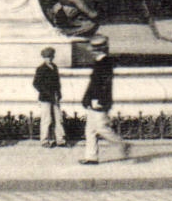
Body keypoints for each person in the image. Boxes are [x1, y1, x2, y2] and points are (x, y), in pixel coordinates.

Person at [79, 36, 130, 164]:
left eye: (94, 49)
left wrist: (98, 99)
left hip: (99, 100)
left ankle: (122, 144)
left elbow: (103, 84)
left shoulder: (104, 63)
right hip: (94, 99)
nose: (91, 51)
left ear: (98, 50)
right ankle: (91, 157)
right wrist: (87, 98)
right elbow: (93, 83)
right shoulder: (100, 62)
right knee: (90, 130)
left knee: (101, 127)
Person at [32, 47, 67, 148]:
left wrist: (59, 93)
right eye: (47, 57)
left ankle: (60, 140)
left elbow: (57, 83)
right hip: (45, 98)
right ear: (43, 57)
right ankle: (44, 140)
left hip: (54, 97)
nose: (49, 59)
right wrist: (46, 93)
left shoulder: (55, 67)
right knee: (46, 119)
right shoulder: (41, 69)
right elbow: (36, 83)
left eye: (51, 57)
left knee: (58, 118)